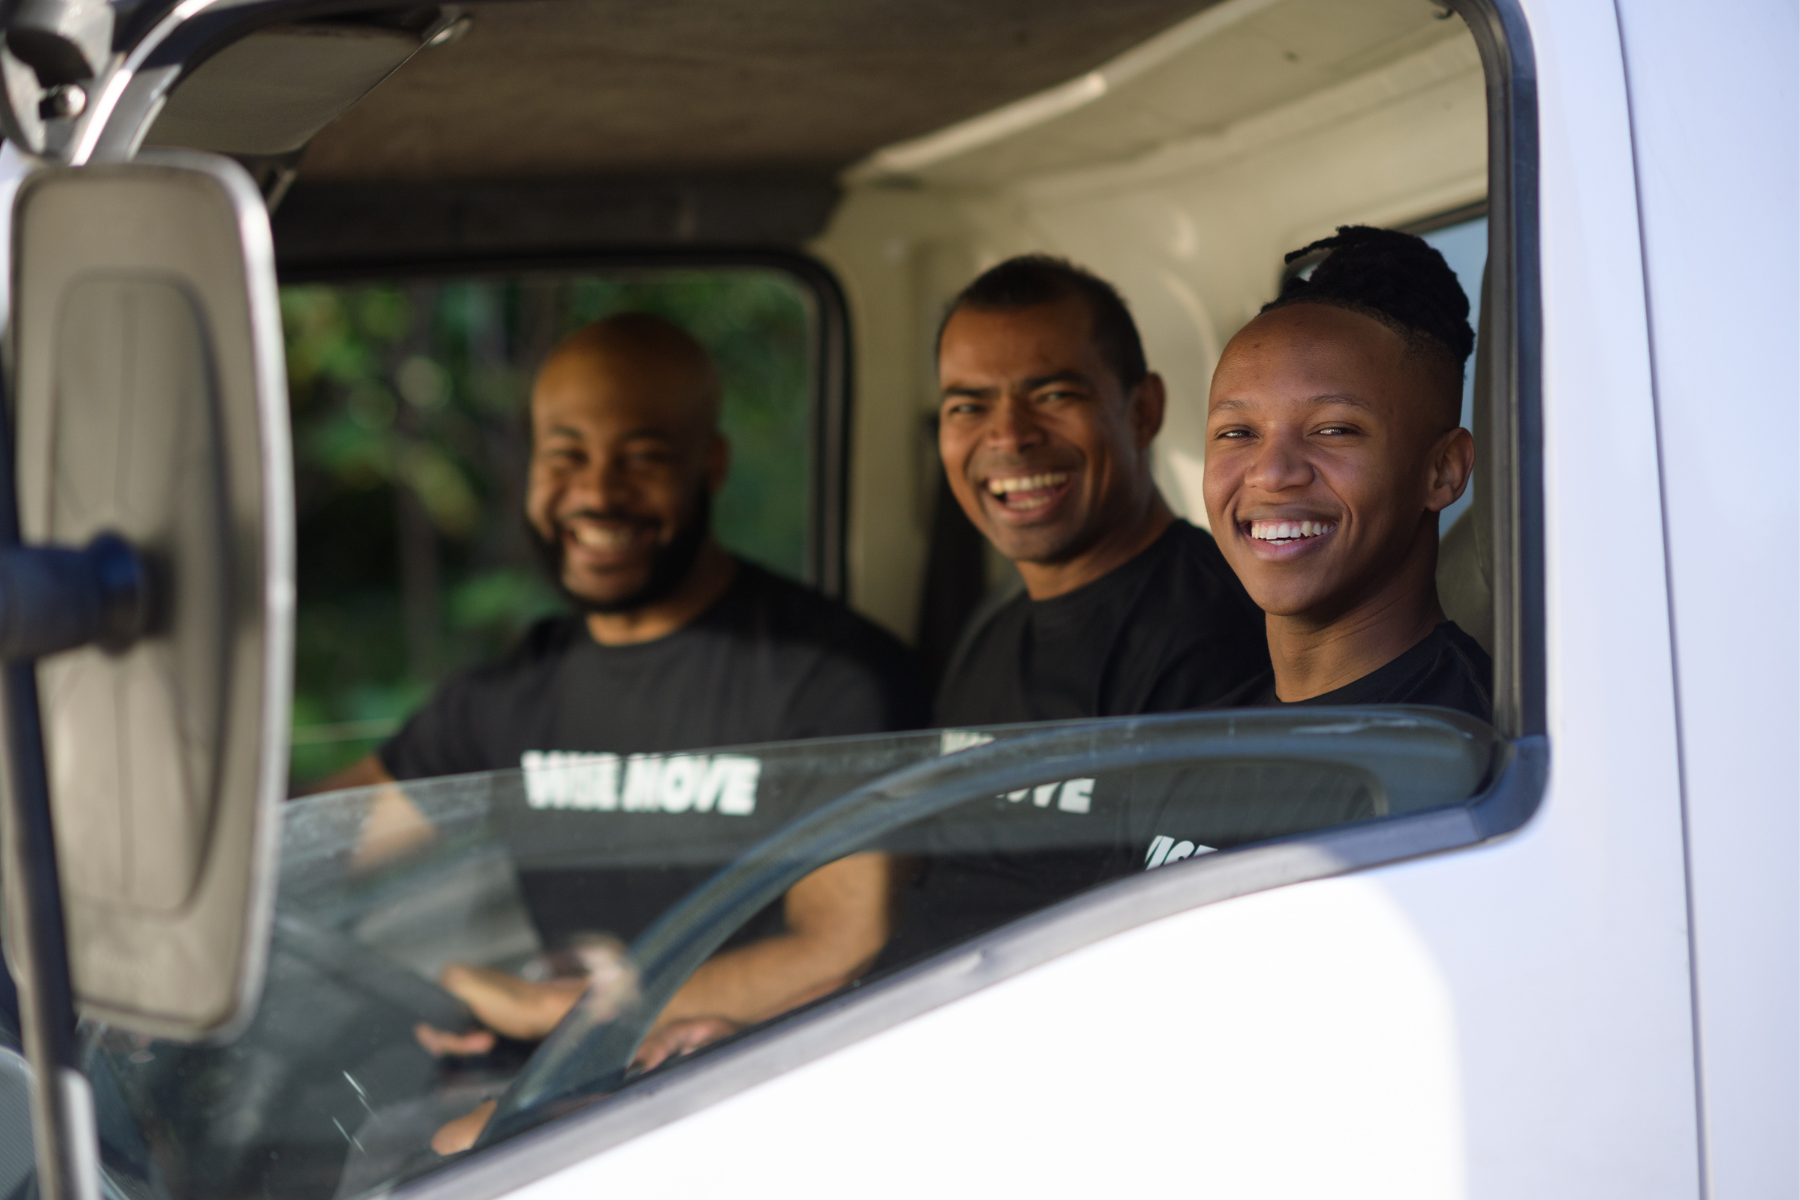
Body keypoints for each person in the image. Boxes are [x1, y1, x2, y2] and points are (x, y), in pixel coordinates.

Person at [320, 314, 926, 1146]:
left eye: (640, 458)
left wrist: (555, 1014)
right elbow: (316, 842)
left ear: (708, 465)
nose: (597, 493)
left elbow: (844, 944)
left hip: (752, 1097)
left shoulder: (829, 677)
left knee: (431, 1154)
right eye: (565, 454)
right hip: (566, 1083)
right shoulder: (511, 692)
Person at [879, 255, 1269, 965]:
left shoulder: (1213, 634)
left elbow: (1165, 950)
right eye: (968, 406)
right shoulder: (993, 629)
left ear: (1143, 409)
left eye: (1053, 394)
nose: (1008, 436)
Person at [1201, 225, 1490, 719]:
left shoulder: (1469, 745)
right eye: (1238, 433)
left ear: (1443, 470)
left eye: (1333, 430)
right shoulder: (1207, 733)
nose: (1271, 473)